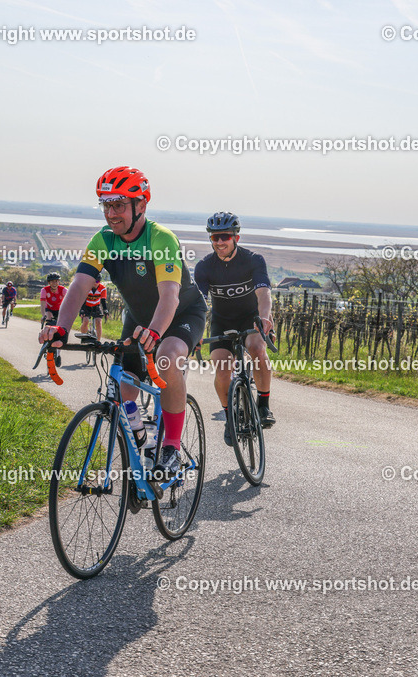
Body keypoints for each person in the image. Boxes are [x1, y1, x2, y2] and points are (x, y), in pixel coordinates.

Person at [38, 166, 207, 478]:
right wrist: (61, 327)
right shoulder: (103, 240)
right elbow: (78, 288)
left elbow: (169, 295)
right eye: (106, 205)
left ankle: (170, 447)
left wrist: (156, 332)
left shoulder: (161, 239)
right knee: (123, 390)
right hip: (139, 319)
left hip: (182, 314)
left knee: (168, 358)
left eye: (119, 205)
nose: (111, 213)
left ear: (141, 205)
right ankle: (143, 442)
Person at [193, 212, 276, 447]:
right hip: (222, 321)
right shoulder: (204, 267)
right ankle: (230, 416)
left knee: (257, 348)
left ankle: (263, 404)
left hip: (251, 318)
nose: (219, 242)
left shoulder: (253, 260)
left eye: (225, 237)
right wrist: (196, 332)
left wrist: (263, 318)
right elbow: (200, 303)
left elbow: (264, 293)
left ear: (236, 237)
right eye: (214, 237)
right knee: (221, 367)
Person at [79, 275, 108, 339]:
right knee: (85, 321)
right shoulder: (87, 287)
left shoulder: (102, 288)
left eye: (97, 281)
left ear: (99, 281)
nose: (95, 283)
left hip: (96, 306)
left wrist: (105, 310)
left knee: (98, 322)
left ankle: (98, 341)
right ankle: (83, 337)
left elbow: (103, 300)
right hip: (86, 306)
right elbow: (83, 299)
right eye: (93, 281)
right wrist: (82, 310)